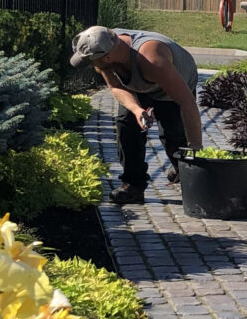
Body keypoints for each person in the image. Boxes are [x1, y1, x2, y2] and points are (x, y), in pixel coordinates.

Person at [70, 24, 203, 205]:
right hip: (138, 85)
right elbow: (116, 86)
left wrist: (195, 146)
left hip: (173, 83)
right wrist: (136, 109)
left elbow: (187, 102)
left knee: (173, 135)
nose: (91, 65)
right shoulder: (103, 47)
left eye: (90, 61)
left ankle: (187, 172)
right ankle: (133, 185)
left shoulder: (152, 58)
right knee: (126, 124)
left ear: (108, 57)